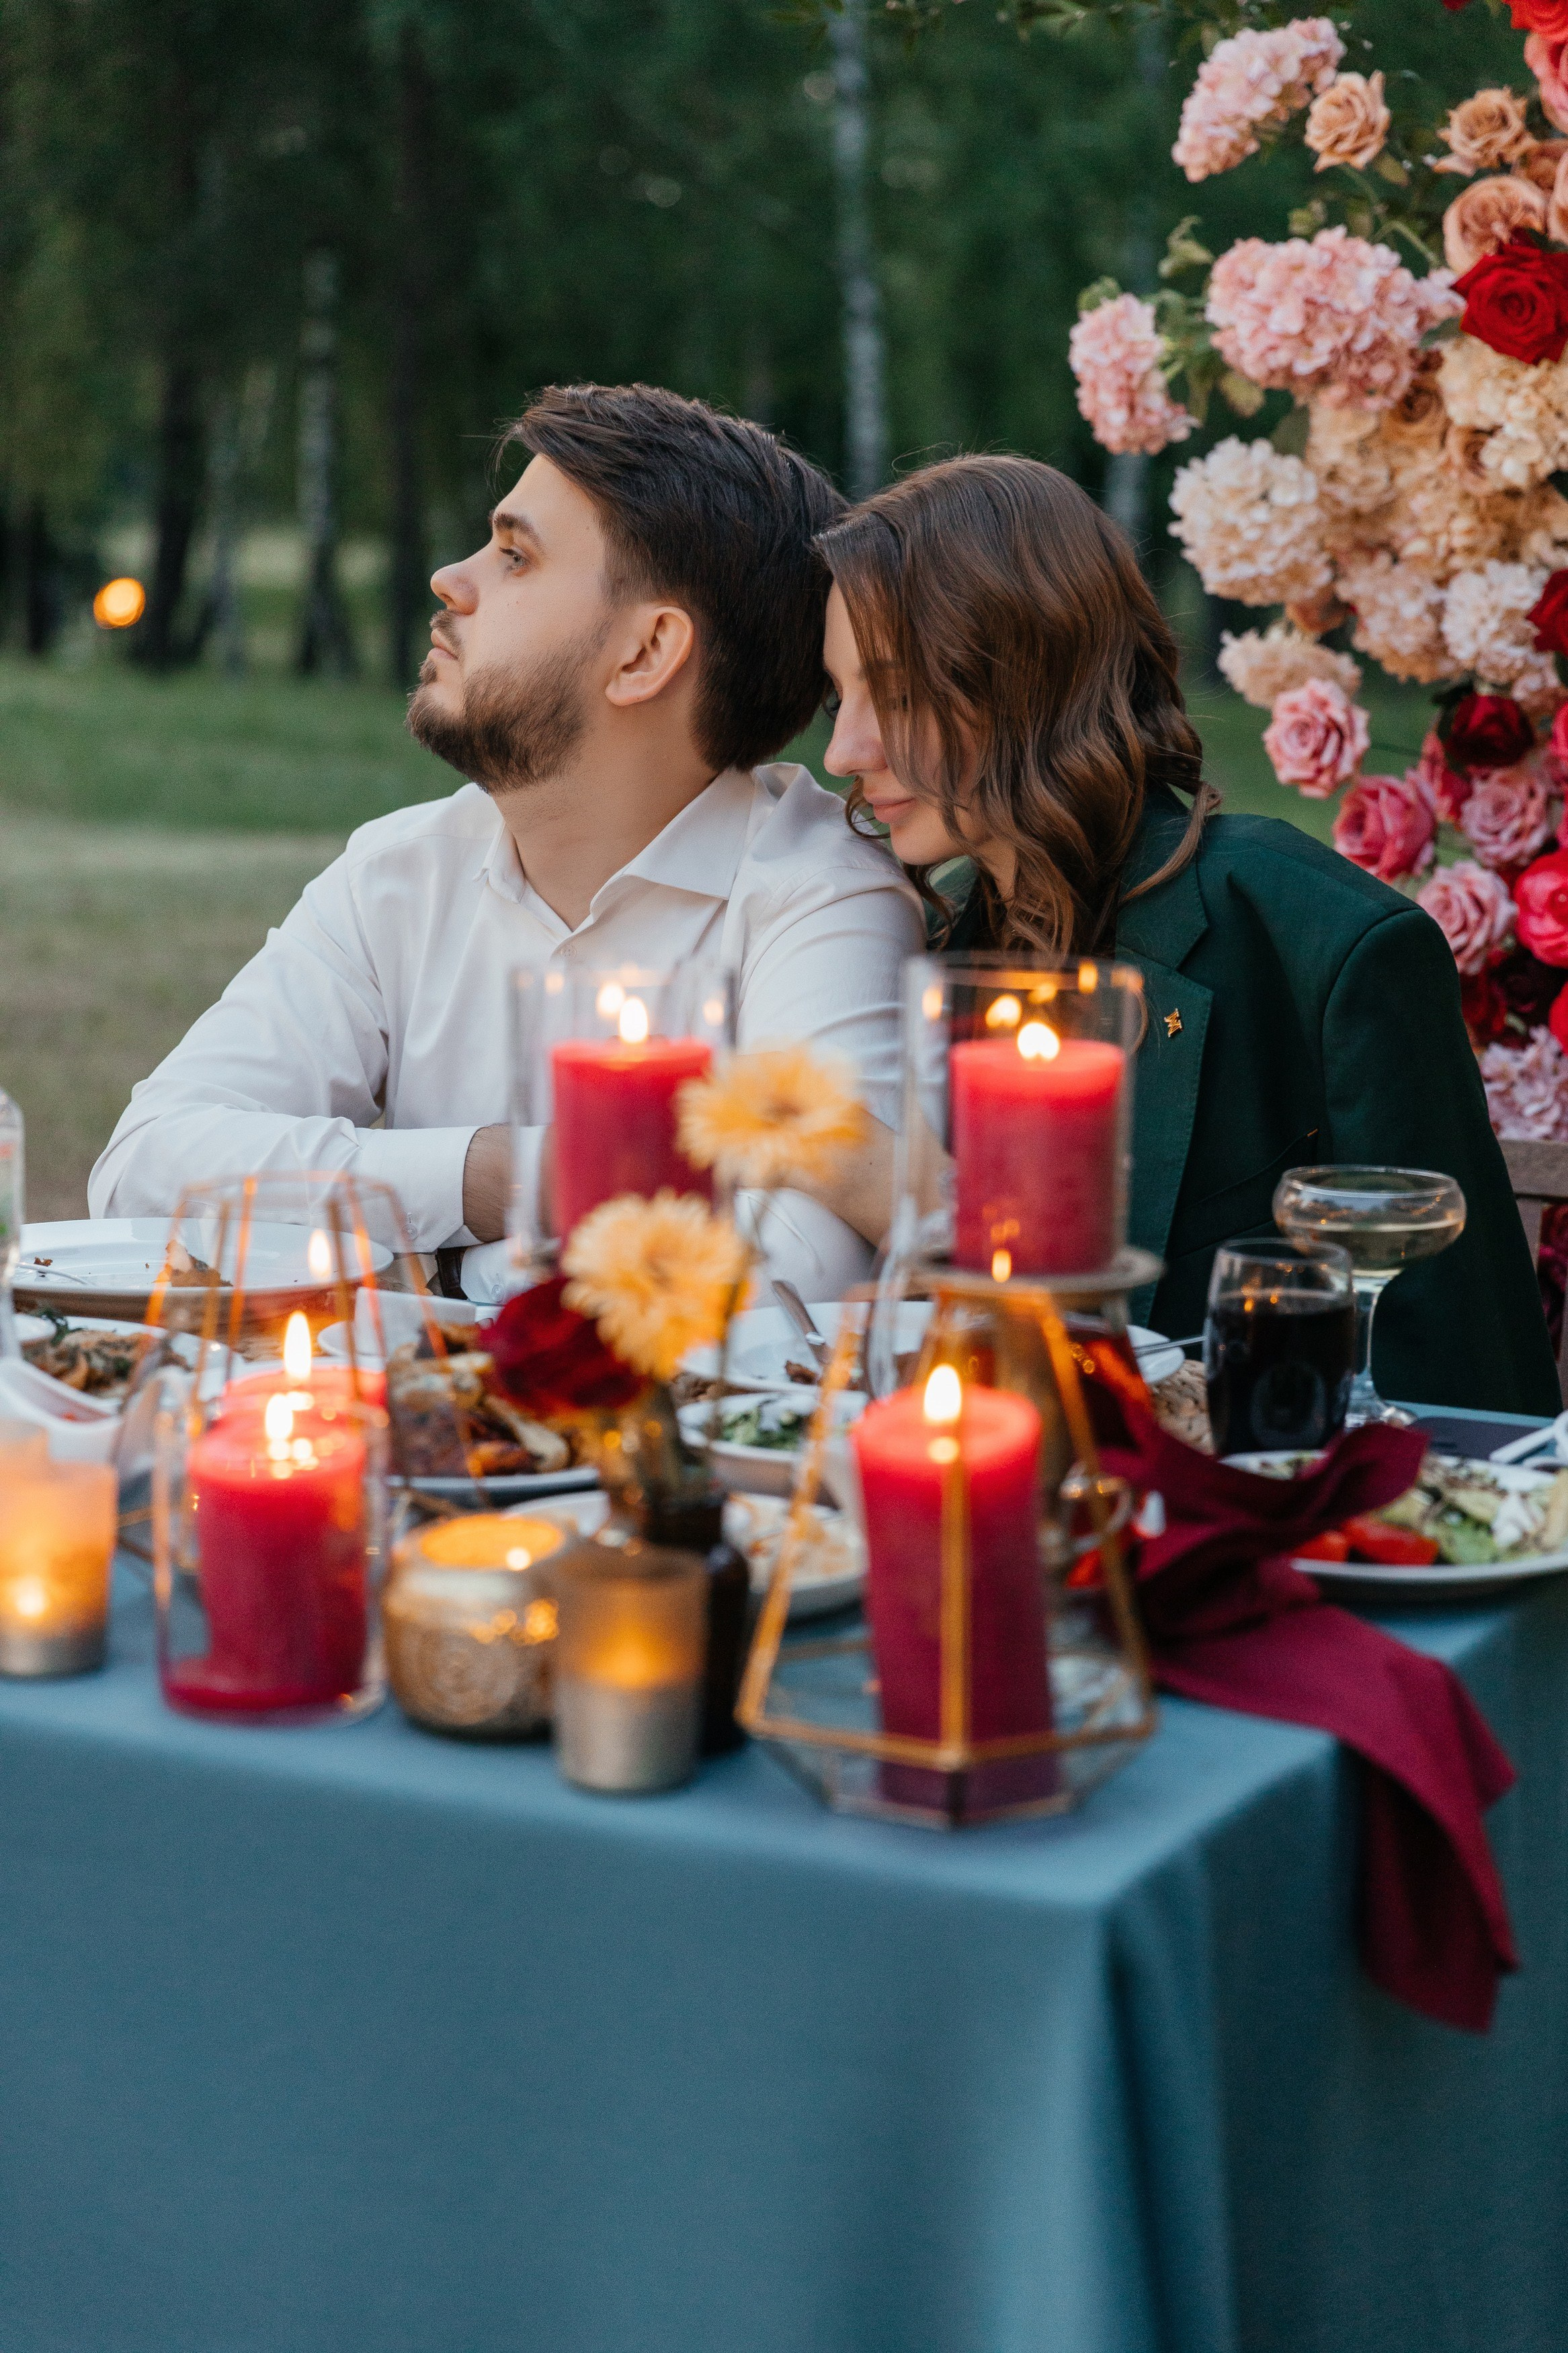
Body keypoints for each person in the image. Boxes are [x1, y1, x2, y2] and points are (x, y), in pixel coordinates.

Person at [91, 383, 922, 1298]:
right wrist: (507, 1175)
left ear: (645, 654)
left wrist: (431, 1267)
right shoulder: (398, 874)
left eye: (515, 556)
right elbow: (144, 1164)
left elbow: (797, 1272)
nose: (452, 579)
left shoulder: (819, 895)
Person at [817, 452, 1559, 1417]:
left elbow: (1469, 1404)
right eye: (841, 701)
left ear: (1033, 669)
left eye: (899, 695)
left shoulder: (1320, 946)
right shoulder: (934, 961)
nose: (843, 753)